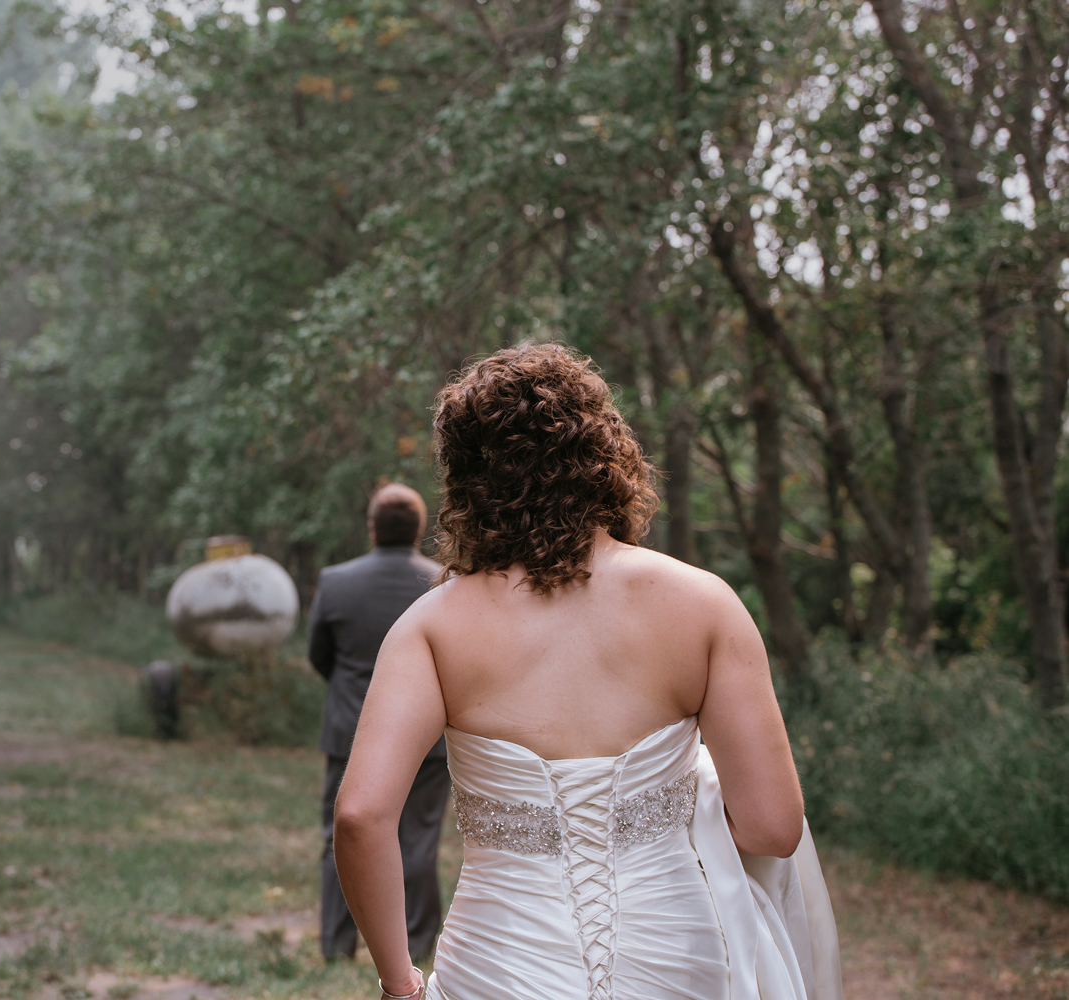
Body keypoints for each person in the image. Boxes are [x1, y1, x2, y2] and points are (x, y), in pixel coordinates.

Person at [333, 345, 841, 1000]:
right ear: (605, 454)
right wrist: (681, 801)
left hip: (499, 966)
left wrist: (399, 979)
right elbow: (774, 827)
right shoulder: (705, 605)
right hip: (678, 955)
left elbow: (360, 817)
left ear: (466, 479)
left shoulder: (431, 628)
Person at [309, 483, 449, 964]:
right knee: (420, 839)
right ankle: (415, 946)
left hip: (350, 728)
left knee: (338, 839)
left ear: (372, 529)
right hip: (428, 739)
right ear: (418, 529)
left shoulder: (335, 581)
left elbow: (319, 656)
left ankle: (336, 944)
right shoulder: (442, 583)